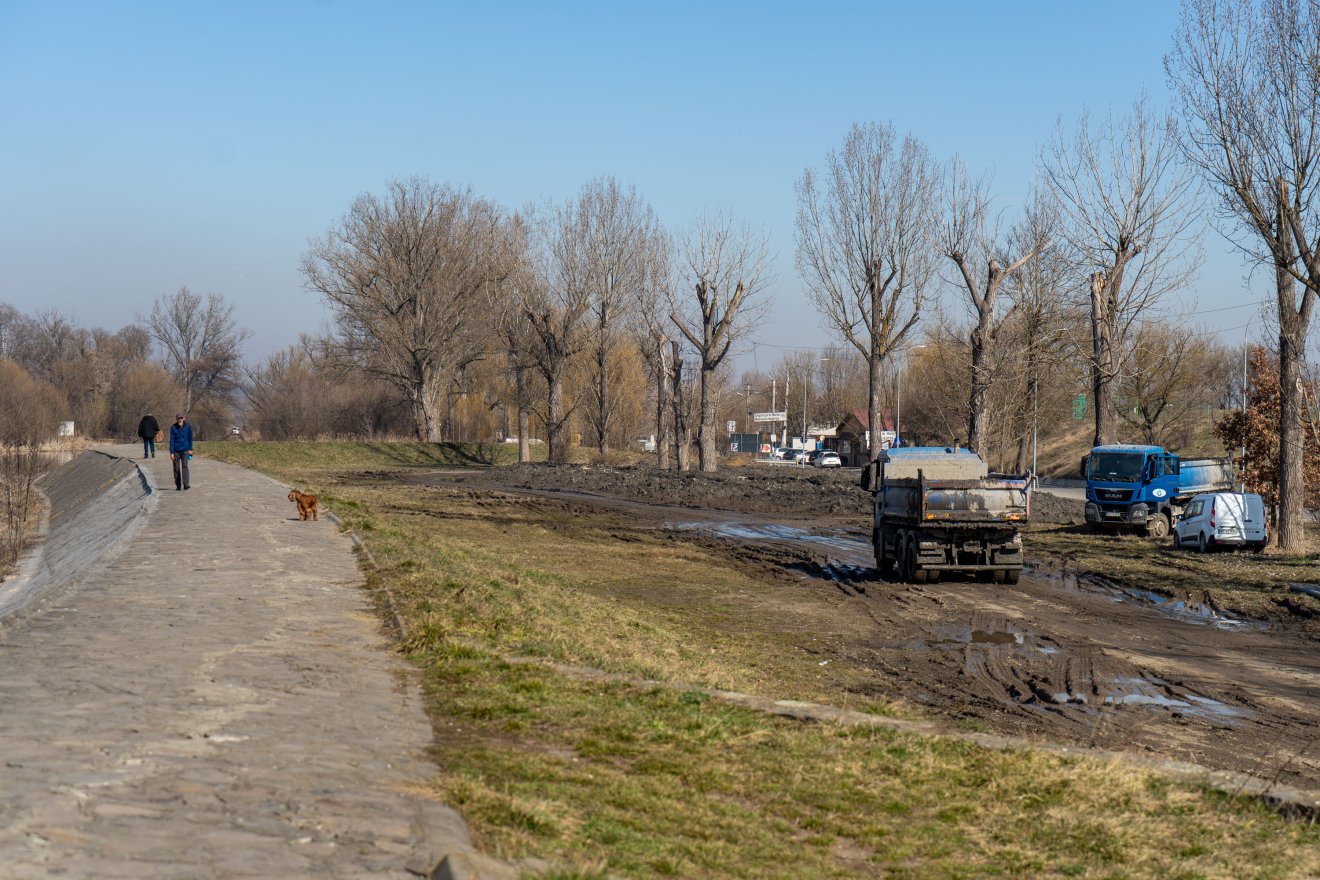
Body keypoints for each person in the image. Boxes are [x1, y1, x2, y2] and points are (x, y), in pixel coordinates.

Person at [169, 414, 193, 490]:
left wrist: (190, 449)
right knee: (176, 468)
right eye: (179, 418)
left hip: (185, 450)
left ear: (184, 418)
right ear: (176, 419)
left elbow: (190, 438)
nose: (180, 420)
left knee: (185, 466)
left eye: (181, 418)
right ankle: (178, 485)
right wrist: (171, 452)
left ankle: (186, 484)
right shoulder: (173, 427)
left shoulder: (188, 427)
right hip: (176, 451)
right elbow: (172, 440)